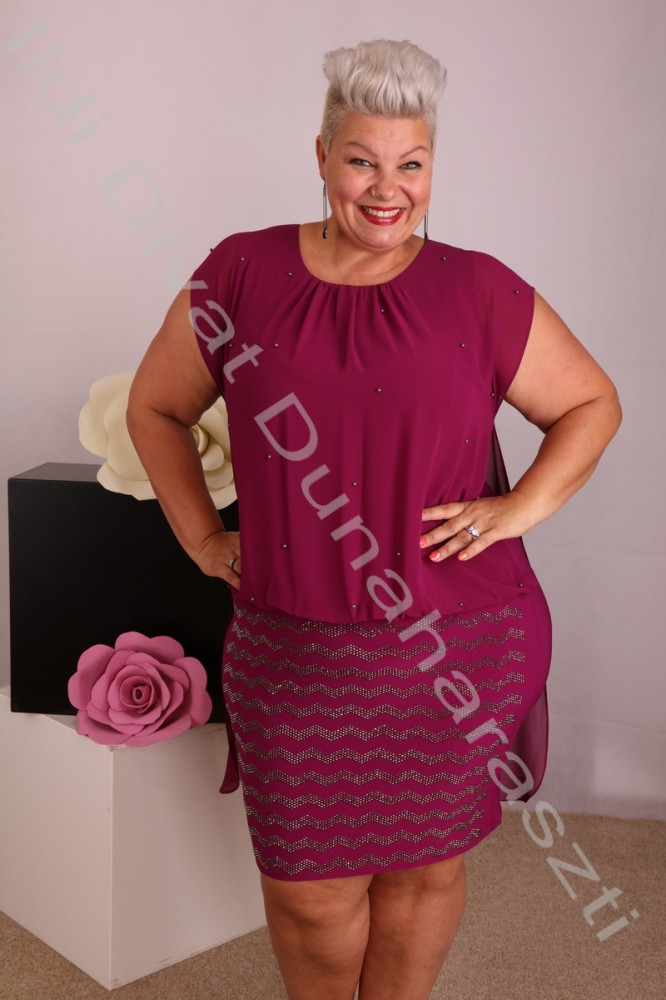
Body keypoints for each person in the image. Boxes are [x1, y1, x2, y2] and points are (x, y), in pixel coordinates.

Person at [127, 38, 621, 1000]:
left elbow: (591, 403)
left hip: (459, 643)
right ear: (322, 157)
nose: (387, 190)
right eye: (362, 160)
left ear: (434, 166)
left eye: (412, 164)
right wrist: (200, 537)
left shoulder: (478, 289)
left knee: (425, 874)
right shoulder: (240, 271)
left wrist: (519, 508)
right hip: (293, 649)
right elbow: (156, 407)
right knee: (308, 893)